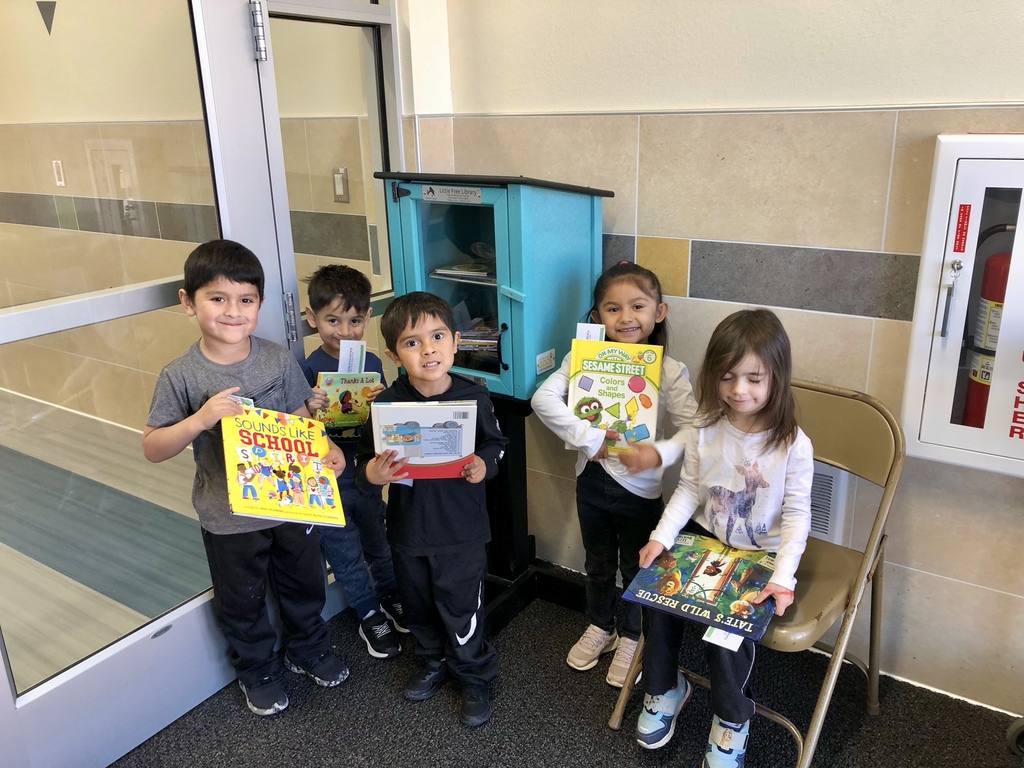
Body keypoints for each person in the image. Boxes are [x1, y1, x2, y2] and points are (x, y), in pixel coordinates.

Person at [142, 239, 349, 717]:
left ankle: (308, 649)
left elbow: (299, 417)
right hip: (229, 515)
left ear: (258, 303)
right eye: (218, 299)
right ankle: (256, 669)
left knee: (304, 580)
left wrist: (329, 449)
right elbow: (153, 447)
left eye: (246, 300)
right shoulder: (181, 375)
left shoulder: (276, 359)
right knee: (243, 599)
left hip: (293, 502)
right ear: (187, 302)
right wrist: (198, 420)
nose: (233, 312)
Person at [630, 308, 814, 767]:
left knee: (725, 633)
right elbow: (689, 490)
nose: (739, 390)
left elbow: (796, 515)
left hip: (763, 553)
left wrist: (785, 577)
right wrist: (660, 537)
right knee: (656, 603)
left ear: (777, 377)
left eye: (754, 378)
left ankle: (732, 719)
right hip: (704, 535)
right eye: (728, 376)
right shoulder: (705, 429)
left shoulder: (792, 443)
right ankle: (665, 689)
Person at [530, 262, 698, 687]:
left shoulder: (669, 369)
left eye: (637, 306)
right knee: (597, 563)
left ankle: (631, 635)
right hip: (591, 479)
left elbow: (696, 427)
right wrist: (590, 438)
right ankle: (601, 626)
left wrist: (655, 453)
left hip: (640, 491)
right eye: (612, 308)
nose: (625, 318)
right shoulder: (581, 358)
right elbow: (542, 399)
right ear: (596, 317)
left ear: (659, 312)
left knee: (636, 566)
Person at [354, 291, 508, 727]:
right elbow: (364, 462)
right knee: (418, 603)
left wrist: (483, 464)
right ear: (393, 354)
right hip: (407, 529)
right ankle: (433, 659)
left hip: (460, 530)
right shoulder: (385, 405)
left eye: (437, 336)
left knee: (462, 605)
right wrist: (375, 475)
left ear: (456, 341)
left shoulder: (473, 396)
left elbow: (496, 444)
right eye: (412, 342)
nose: (428, 349)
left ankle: (474, 674)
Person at [301, 264, 403, 661]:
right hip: (328, 474)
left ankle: (391, 593)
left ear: (368, 318)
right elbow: (297, 425)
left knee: (378, 534)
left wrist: (384, 400)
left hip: (366, 467)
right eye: (332, 320)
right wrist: (309, 406)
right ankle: (367, 610)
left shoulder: (374, 363)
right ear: (312, 319)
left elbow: (383, 422)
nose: (344, 331)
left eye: (355, 320)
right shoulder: (307, 370)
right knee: (342, 547)